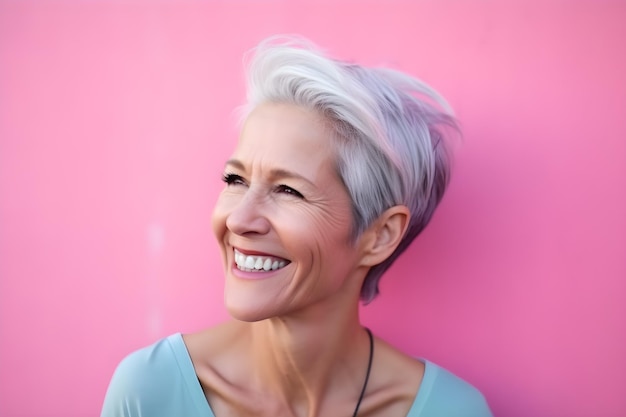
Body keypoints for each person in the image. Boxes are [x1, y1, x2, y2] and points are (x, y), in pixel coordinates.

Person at [101, 35, 493, 417]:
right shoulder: (149, 392)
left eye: (288, 190)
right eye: (235, 180)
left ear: (380, 235)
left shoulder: (452, 410)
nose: (238, 219)